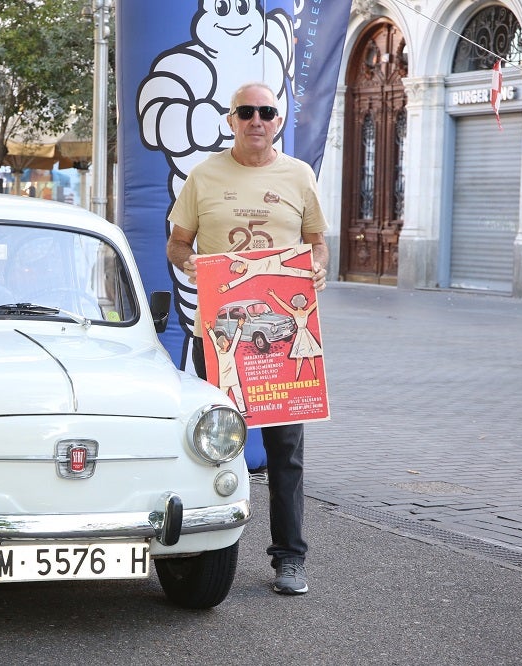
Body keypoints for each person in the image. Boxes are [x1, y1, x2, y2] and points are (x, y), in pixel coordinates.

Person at [166, 81, 329, 596]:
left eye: (266, 111)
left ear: (277, 121)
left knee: (286, 452)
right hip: (216, 338)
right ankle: (203, 548)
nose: (256, 119)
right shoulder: (204, 175)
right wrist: (189, 263)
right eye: (246, 112)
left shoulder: (300, 176)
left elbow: (318, 245)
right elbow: (177, 242)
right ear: (231, 119)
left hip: (279, 343)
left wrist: (318, 270)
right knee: (210, 447)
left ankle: (290, 558)